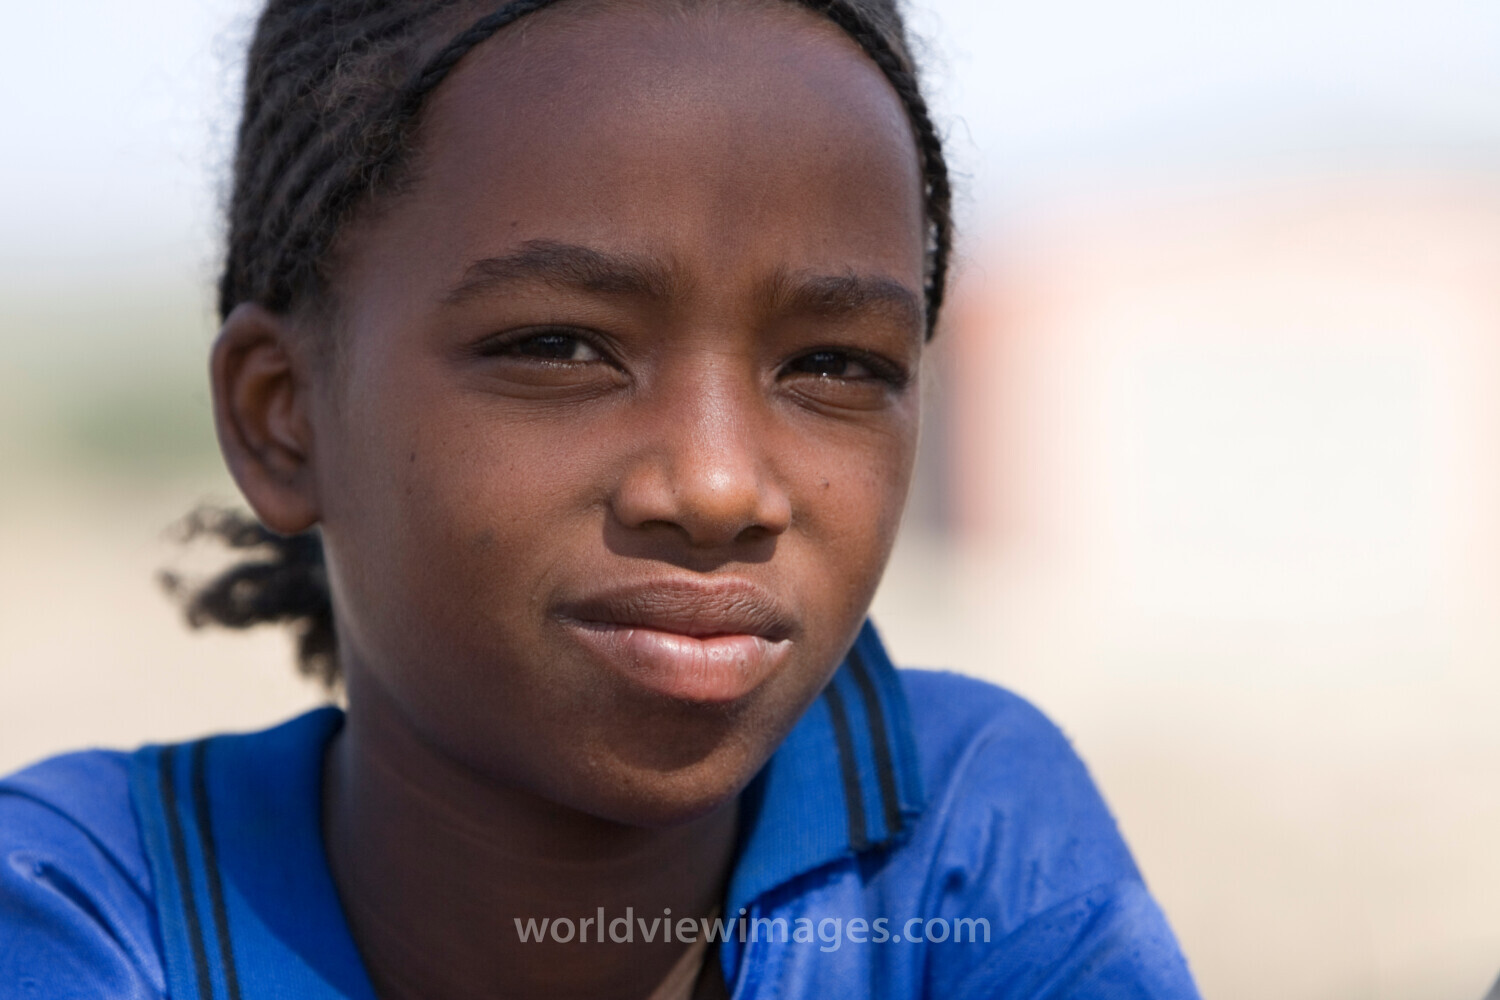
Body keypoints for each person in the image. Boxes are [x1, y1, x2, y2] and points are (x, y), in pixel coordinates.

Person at [0, 0, 1202, 997]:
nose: (721, 485)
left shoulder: (955, 837)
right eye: (564, 347)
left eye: (834, 365)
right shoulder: (82, 908)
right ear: (283, 414)